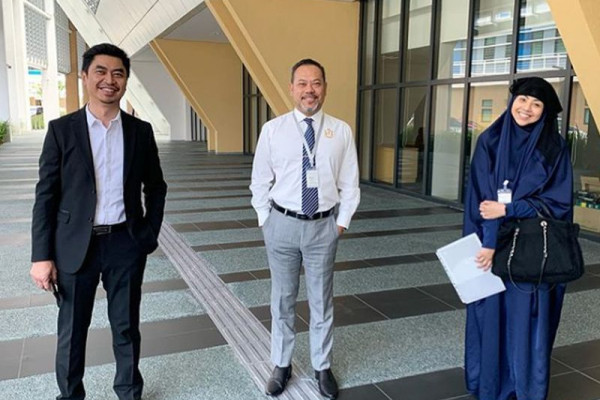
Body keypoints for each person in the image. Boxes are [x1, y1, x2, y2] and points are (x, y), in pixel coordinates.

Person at [30, 43, 167, 400]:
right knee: (72, 330)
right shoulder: (62, 130)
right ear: (85, 76)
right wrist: (41, 256)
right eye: (101, 72)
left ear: (125, 81)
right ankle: (70, 395)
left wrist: (148, 234)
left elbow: (156, 186)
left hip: (125, 242)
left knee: (126, 326)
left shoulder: (140, 131)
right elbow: (46, 196)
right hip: (76, 246)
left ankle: (129, 392)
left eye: (118, 73)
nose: (110, 80)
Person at [250, 59, 360, 399]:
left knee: (321, 300)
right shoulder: (273, 130)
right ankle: (281, 364)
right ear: (291, 88)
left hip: (323, 227)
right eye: (302, 83)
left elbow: (350, 183)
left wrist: (341, 223)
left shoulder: (340, 131)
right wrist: (265, 220)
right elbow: (259, 180)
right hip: (281, 225)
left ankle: (321, 366)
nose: (309, 90)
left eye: (316, 83)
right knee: (282, 299)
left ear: (324, 88)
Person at [463, 77, 573, 400]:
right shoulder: (491, 141)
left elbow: (558, 203)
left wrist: (510, 208)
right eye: (522, 99)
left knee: (527, 320)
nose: (526, 108)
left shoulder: (554, 149)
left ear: (545, 112)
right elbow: (478, 200)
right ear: (512, 101)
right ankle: (491, 386)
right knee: (491, 315)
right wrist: (485, 243)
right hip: (492, 245)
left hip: (532, 251)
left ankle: (524, 390)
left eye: (536, 104)